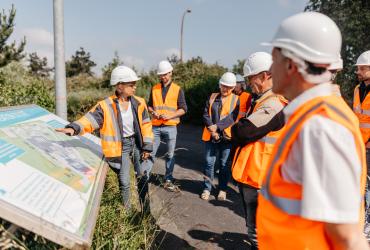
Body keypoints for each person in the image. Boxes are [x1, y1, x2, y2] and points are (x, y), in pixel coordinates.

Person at [257, 12, 369, 249]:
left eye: (273, 58)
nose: (269, 69)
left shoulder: (320, 127)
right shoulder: (312, 117)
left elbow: (347, 236)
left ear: (290, 64)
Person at [56, 65, 153, 211]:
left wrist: (147, 146)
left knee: (142, 178)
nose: (135, 88)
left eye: (135, 85)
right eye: (131, 85)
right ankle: (128, 213)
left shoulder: (139, 103)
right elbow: (89, 120)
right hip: (121, 147)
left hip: (137, 144)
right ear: (120, 86)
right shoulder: (105, 106)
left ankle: (146, 211)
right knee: (124, 181)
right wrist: (74, 128)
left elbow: (146, 125)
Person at [231, 52, 287, 250]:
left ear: (265, 75)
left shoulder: (273, 104)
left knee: (257, 234)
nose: (247, 83)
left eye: (250, 78)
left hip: (260, 178)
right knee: (255, 230)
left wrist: (236, 128)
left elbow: (243, 131)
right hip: (255, 176)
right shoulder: (262, 100)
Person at [147, 60, 187, 192]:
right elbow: (149, 105)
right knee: (151, 152)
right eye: (161, 75)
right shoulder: (154, 88)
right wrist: (153, 112)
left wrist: (170, 116)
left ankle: (168, 179)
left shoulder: (177, 89)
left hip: (170, 126)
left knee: (170, 154)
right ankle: (144, 177)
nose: (163, 76)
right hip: (156, 126)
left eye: (165, 74)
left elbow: (183, 109)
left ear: (171, 72)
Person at [201, 72, 240, 201]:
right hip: (211, 136)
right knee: (209, 163)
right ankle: (207, 188)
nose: (226, 89)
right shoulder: (212, 97)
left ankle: (222, 189)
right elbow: (206, 115)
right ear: (220, 84)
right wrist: (212, 131)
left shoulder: (235, 99)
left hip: (227, 138)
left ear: (233, 87)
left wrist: (217, 127)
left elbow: (232, 118)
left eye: (229, 87)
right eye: (224, 86)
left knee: (224, 165)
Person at [352, 50, 370, 239]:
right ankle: (363, 220)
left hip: (368, 145)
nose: (358, 71)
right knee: (362, 185)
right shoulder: (358, 89)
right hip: (359, 144)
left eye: (362, 68)